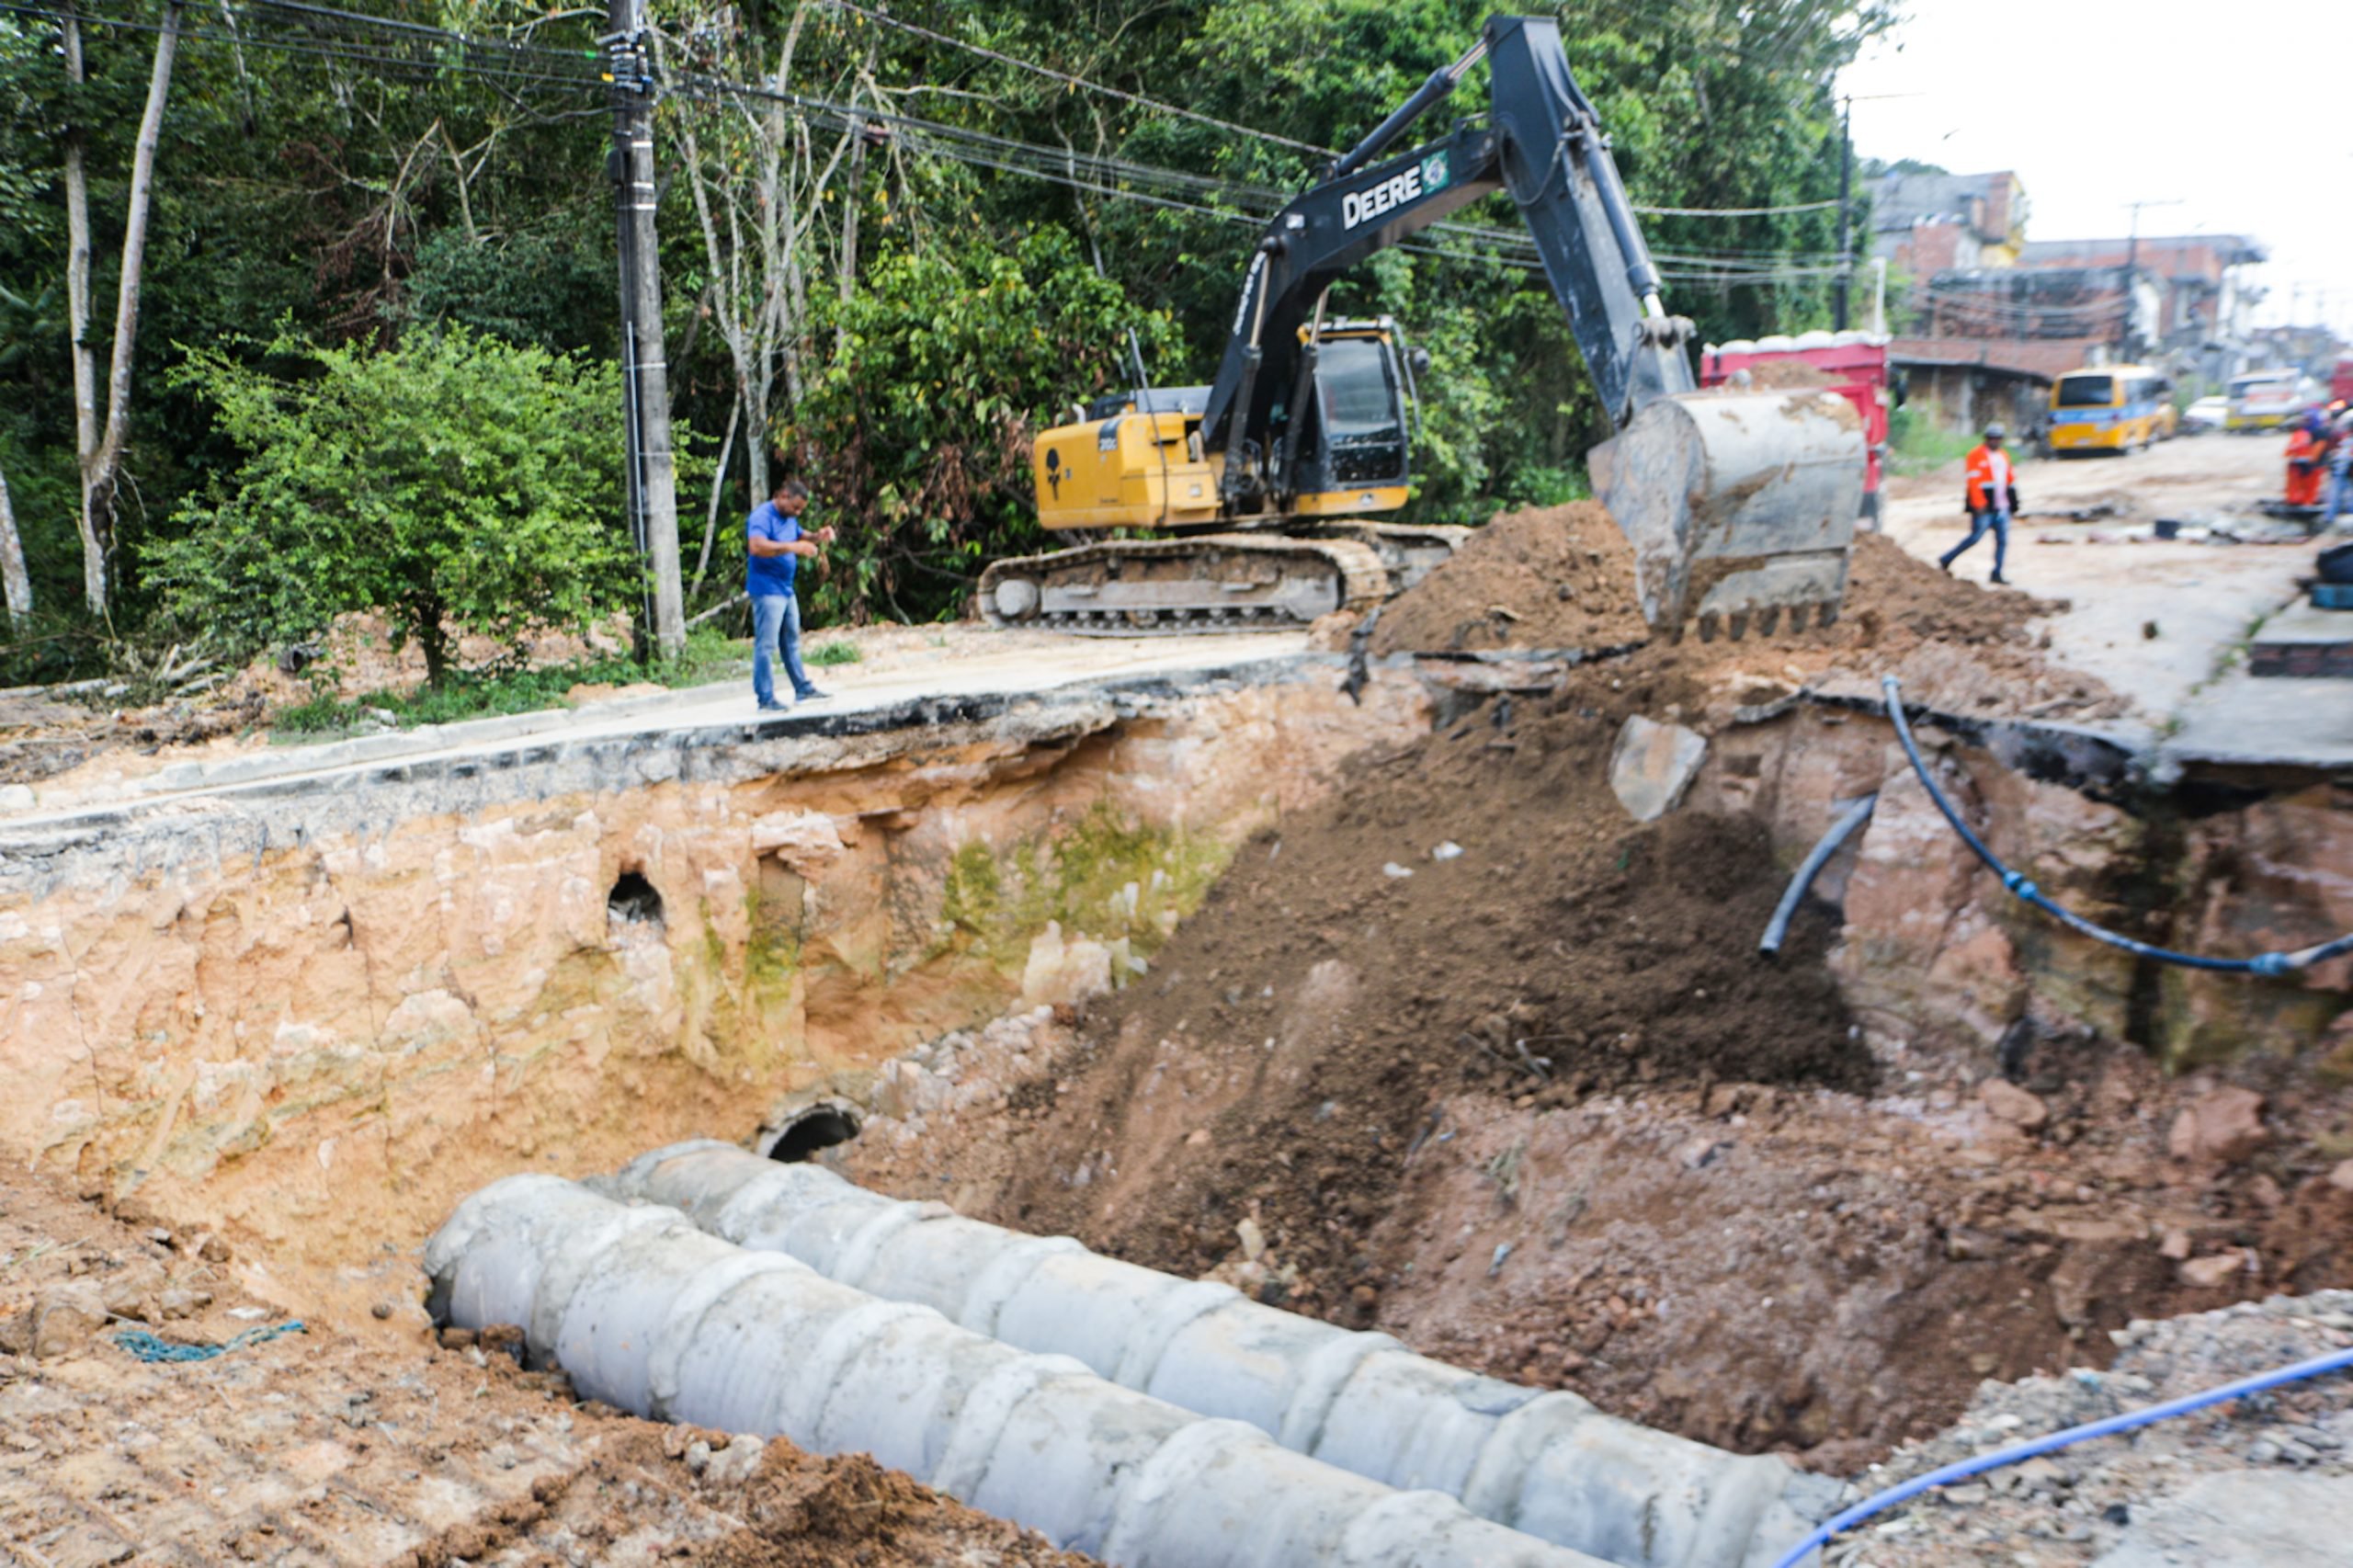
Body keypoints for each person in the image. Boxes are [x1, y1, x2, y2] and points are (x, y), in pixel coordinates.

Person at [745, 476, 835, 710]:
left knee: (791, 641)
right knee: (766, 645)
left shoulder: (789, 518)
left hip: (786, 589)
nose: (797, 512)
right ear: (783, 496)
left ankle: (802, 688)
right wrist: (793, 548)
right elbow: (756, 546)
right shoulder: (762, 516)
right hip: (767, 590)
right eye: (795, 507)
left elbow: (798, 533)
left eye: (801, 509)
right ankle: (765, 698)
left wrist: (818, 536)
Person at [1941, 423, 2018, 584]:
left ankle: (1997, 573)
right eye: (1991, 438)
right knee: (1975, 537)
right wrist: (1978, 504)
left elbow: (2010, 480)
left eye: (1997, 438)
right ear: (1986, 439)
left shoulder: (2004, 456)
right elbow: (1974, 482)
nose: (1994, 441)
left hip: (2001, 506)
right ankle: (1946, 559)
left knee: (2002, 541)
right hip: (1984, 507)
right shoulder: (1975, 455)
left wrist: (2013, 503)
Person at [2283, 411, 2327, 510]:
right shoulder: (2304, 433)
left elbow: (2318, 448)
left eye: (2308, 420)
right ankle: (2301, 502)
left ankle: (2305, 503)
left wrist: (2312, 461)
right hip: (2304, 464)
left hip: (2313, 465)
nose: (2306, 422)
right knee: (2302, 486)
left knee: (2309, 487)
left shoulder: (2318, 432)